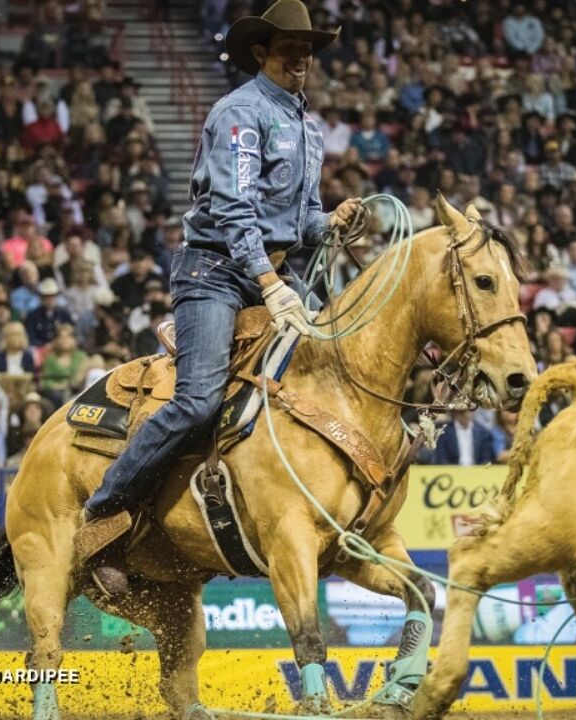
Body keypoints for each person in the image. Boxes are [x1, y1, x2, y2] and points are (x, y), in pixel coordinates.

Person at [73, 0, 363, 576]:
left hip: (270, 273)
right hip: (214, 272)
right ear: (261, 53)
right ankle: (104, 509)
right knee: (199, 399)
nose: (301, 58)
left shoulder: (308, 127)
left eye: (307, 49)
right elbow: (233, 209)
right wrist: (269, 283)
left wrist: (330, 222)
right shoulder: (239, 112)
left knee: (338, 361)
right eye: (289, 48)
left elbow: (301, 217)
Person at [429, 409, 496, 466]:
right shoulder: (445, 432)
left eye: (470, 410)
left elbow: (486, 458)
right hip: (452, 471)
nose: (467, 414)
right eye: (463, 412)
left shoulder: (482, 432)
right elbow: (441, 457)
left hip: (476, 472)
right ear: (457, 413)